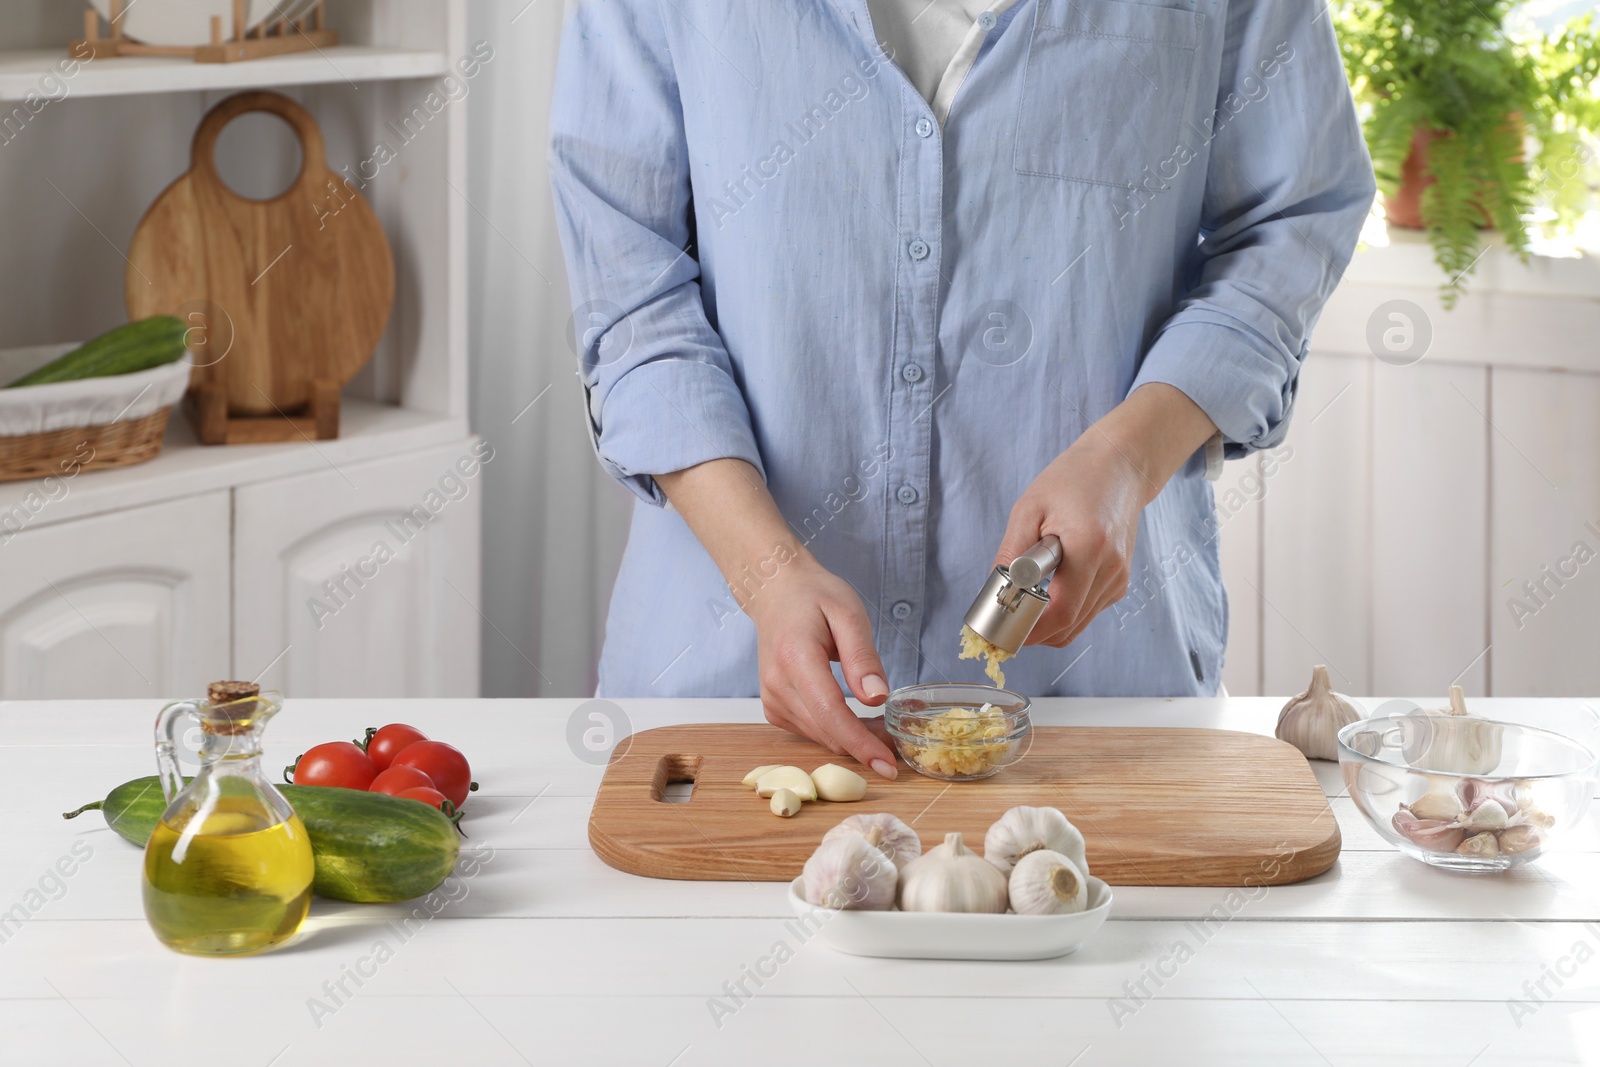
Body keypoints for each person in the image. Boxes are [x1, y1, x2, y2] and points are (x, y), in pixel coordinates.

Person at [549, 0, 1375, 779]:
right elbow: (631, 286)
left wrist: (1131, 455)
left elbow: (1296, 220)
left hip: (1100, 711)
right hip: (720, 699)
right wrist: (764, 572)